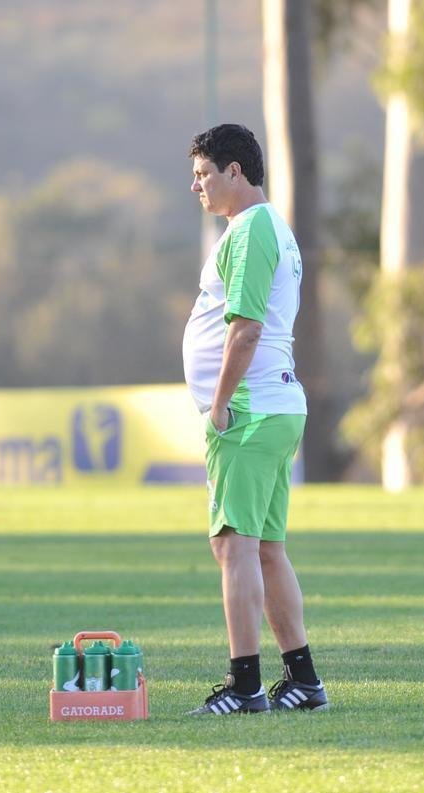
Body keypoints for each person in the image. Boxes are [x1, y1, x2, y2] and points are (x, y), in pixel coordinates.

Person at [181, 123, 328, 714]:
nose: (197, 187)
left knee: (233, 547)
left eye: (203, 175)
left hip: (249, 410)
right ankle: (304, 682)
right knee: (266, 548)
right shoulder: (271, 228)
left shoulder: (252, 229)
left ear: (234, 171)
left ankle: (245, 687)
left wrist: (219, 403)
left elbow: (244, 328)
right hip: (275, 405)